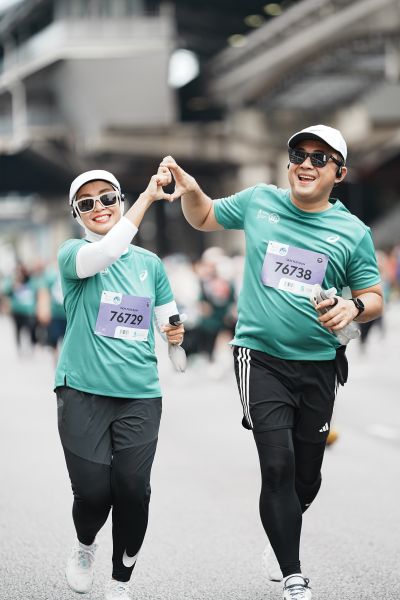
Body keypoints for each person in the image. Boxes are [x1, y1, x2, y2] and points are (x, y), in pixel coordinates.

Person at [160, 124, 383, 600]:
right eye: (299, 154)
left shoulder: (352, 232)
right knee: (277, 465)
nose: (306, 164)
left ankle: (282, 531)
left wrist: (354, 307)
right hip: (258, 357)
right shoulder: (260, 201)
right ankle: (292, 573)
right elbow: (204, 217)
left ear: (340, 173)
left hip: (319, 364)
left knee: (307, 477)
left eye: (320, 158)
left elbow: (374, 296)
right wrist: (193, 191)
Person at [55, 168, 184, 600]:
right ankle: (84, 545)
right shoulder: (73, 254)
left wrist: (174, 334)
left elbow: (166, 315)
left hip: (139, 395)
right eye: (86, 203)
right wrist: (148, 197)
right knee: (93, 494)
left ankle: (120, 580)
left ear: (119, 200)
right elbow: (108, 251)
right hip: (82, 392)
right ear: (77, 214)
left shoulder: (150, 264)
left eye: (108, 197)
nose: (99, 207)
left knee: (133, 490)